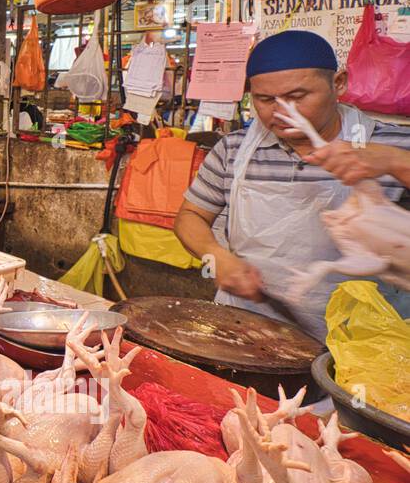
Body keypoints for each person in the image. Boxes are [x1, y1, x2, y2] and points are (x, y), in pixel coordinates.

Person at [174, 29, 410, 341]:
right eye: (265, 99)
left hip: (368, 340)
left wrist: (396, 162)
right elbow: (190, 217)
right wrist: (213, 256)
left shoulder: (393, 143)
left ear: (339, 83)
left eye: (297, 97)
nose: (281, 112)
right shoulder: (234, 148)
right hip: (252, 328)